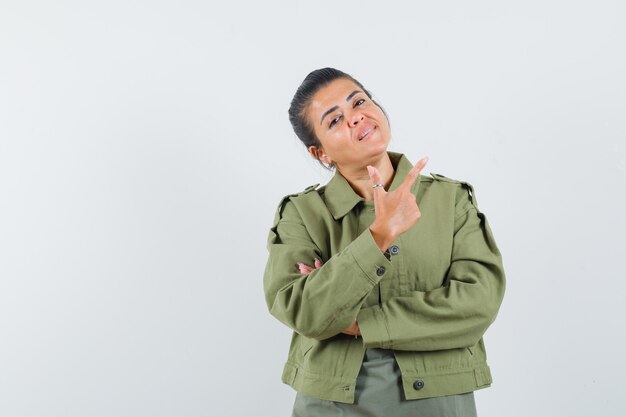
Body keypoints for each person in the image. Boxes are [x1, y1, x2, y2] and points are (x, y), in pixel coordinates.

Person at [263, 67, 506, 417]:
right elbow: (304, 311)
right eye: (334, 120)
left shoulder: (450, 200)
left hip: (438, 403)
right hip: (332, 407)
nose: (355, 117)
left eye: (359, 101)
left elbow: (478, 302)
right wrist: (379, 235)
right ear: (320, 154)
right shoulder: (301, 214)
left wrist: (359, 323)